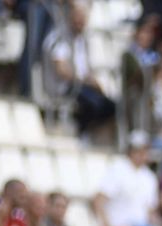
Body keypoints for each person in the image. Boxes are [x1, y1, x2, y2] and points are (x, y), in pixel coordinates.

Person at [92, 131, 162, 226]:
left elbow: (150, 212)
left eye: (145, 150)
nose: (142, 154)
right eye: (138, 150)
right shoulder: (117, 169)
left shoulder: (149, 177)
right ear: (130, 151)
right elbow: (98, 201)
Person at [43, 2, 115, 134]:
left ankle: (85, 130)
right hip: (64, 86)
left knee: (111, 106)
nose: (80, 21)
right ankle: (80, 130)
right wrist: (84, 80)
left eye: (83, 18)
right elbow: (62, 70)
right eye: (77, 17)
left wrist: (94, 82)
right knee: (94, 104)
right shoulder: (59, 38)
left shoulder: (82, 41)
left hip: (81, 85)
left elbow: (85, 69)